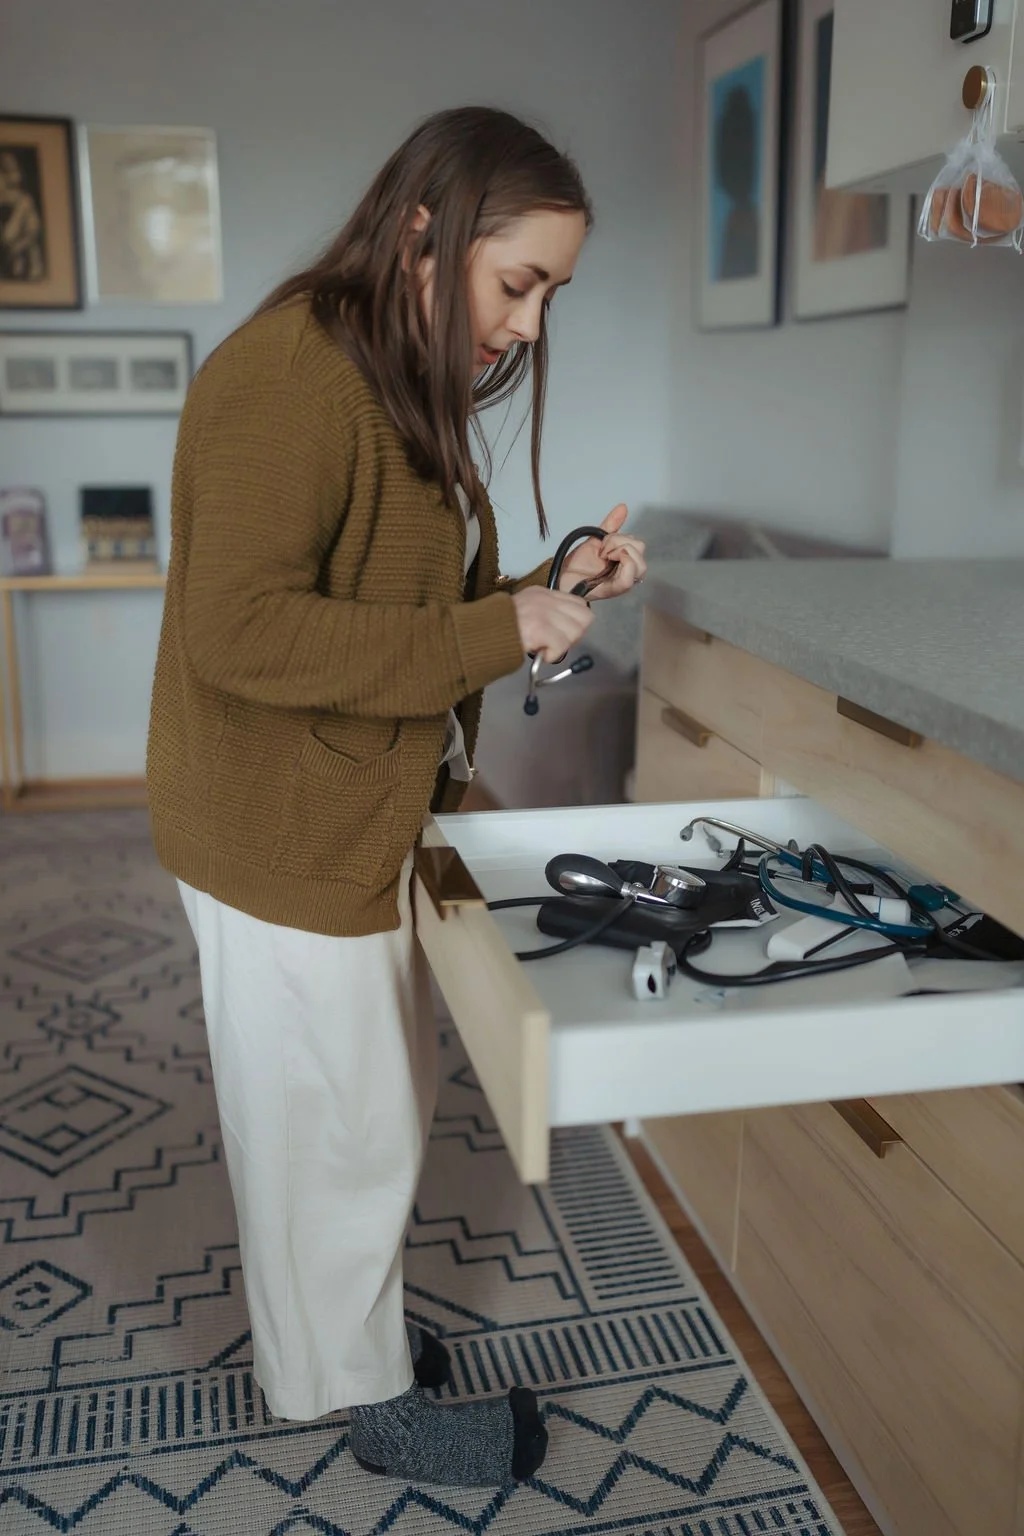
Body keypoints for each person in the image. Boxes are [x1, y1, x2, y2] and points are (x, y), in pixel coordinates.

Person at [145, 105, 646, 1492]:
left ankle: (341, 1331)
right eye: (519, 282)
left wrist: (542, 591)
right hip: (279, 828)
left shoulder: (372, 372)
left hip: (348, 815)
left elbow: (393, 605)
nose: (533, 325)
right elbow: (243, 636)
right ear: (427, 232)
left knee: (363, 1107)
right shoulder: (289, 375)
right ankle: (352, 1395)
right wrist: (502, 631)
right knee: (333, 1123)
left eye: (549, 293)